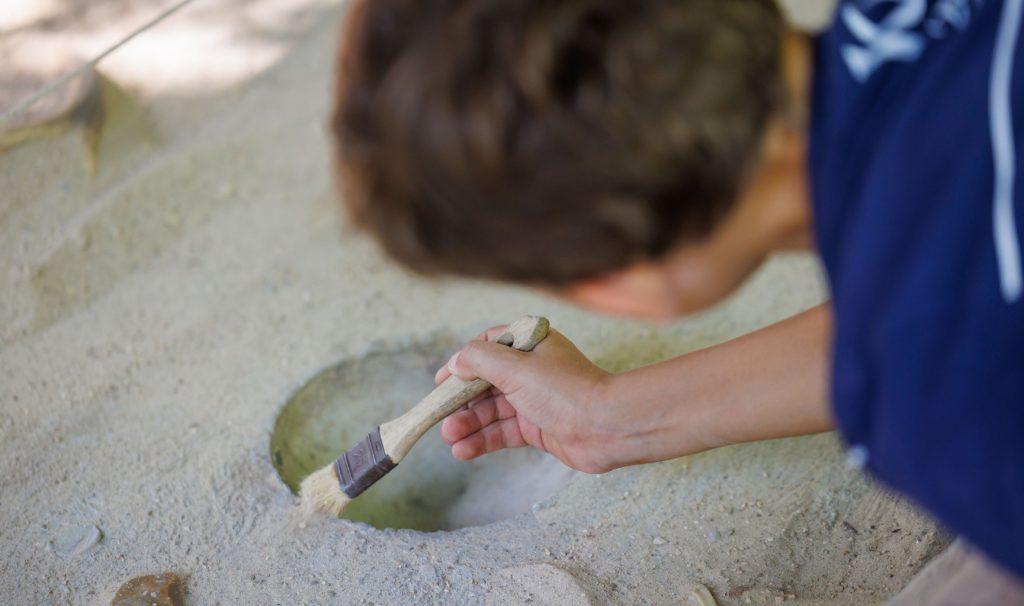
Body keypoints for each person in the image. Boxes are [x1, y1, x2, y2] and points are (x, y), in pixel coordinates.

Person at [330, 0, 1024, 598]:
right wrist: (607, 418)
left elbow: (948, 344)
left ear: (619, 279)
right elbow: (949, 304)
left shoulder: (950, 423)